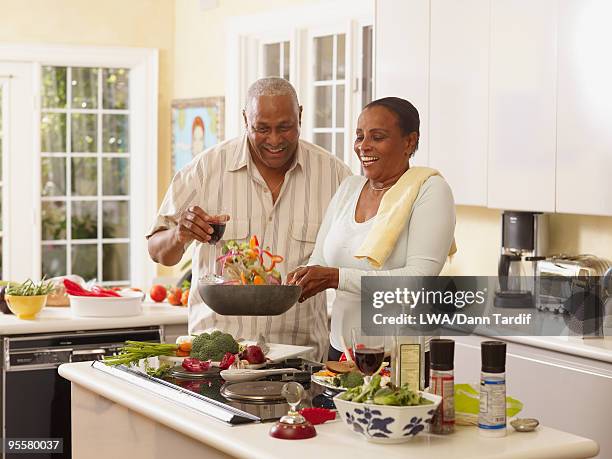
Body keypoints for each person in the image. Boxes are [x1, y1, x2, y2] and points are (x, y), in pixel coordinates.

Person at [146, 77, 352, 362]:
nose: (275, 140)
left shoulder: (335, 176)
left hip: (299, 359)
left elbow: (357, 264)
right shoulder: (206, 169)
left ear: (300, 115)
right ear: (246, 119)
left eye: (285, 127)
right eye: (262, 128)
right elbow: (158, 252)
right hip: (215, 358)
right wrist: (180, 234)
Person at [287, 97, 456, 360]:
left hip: (399, 357)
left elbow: (419, 278)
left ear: (409, 142)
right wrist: (283, 285)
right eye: (359, 136)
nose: (363, 146)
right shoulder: (348, 189)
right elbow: (319, 261)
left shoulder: (430, 190)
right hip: (341, 352)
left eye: (377, 137)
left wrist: (336, 277)